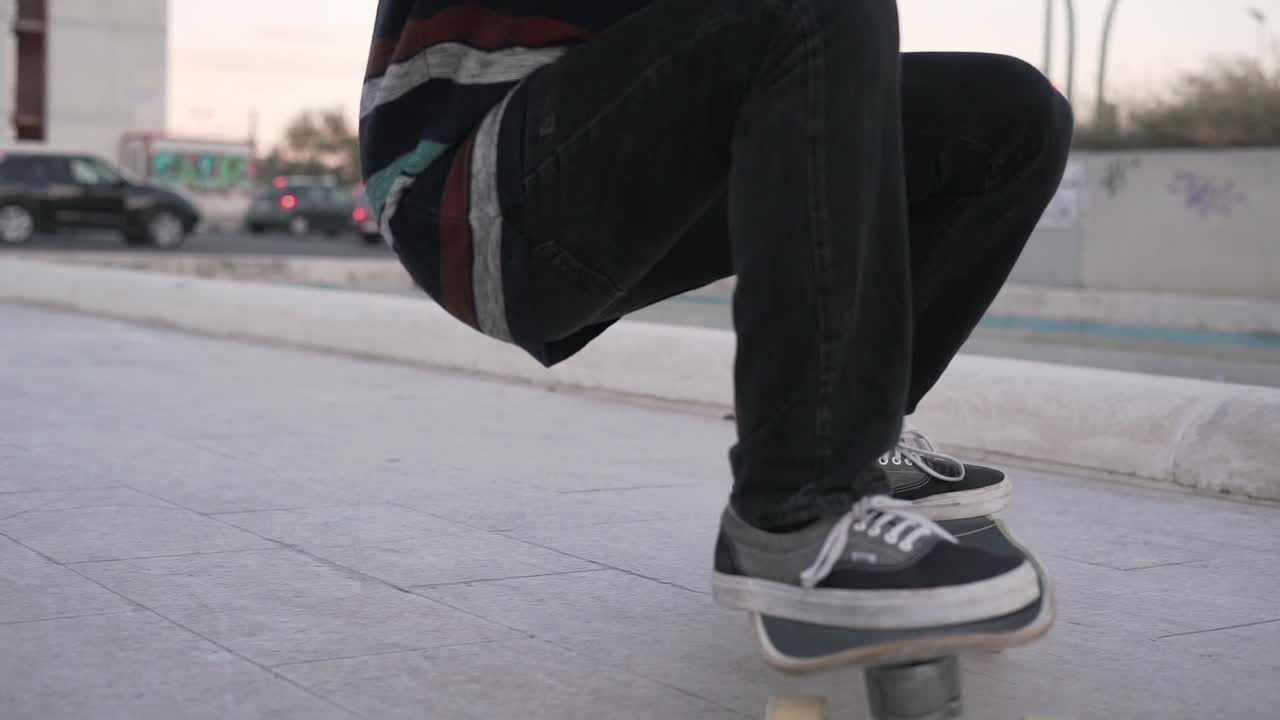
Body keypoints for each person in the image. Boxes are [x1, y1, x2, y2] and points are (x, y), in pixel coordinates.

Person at [360, 0, 1073, 630]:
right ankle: (797, 508)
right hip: (469, 189)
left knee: (1011, 116)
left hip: (610, 137)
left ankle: (858, 436)